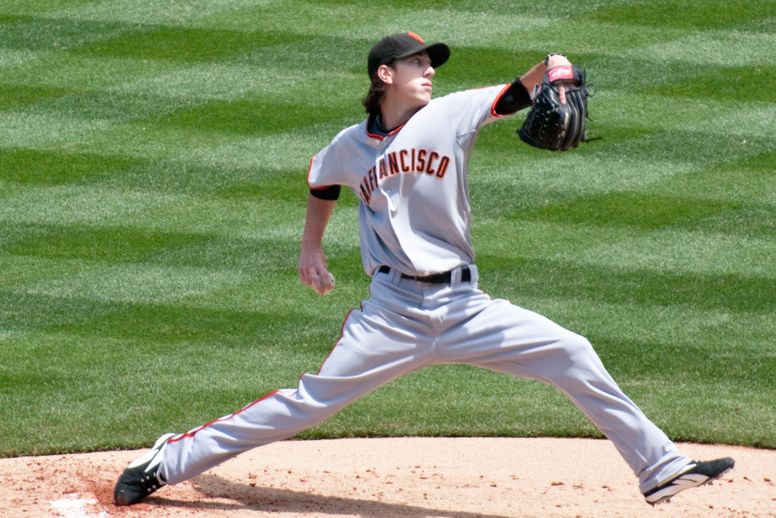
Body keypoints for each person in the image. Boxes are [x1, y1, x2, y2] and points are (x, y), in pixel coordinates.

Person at [114, 32, 734, 507]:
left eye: (430, 63)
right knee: (309, 404)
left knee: (571, 351)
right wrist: (311, 247)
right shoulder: (349, 145)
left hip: (466, 307)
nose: (430, 70)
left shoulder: (452, 113)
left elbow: (522, 90)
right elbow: (319, 178)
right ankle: (172, 459)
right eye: (417, 63)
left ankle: (660, 471)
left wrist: (557, 65)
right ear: (385, 75)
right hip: (391, 313)